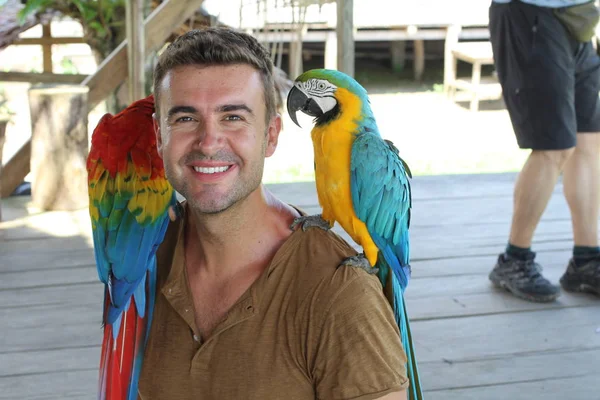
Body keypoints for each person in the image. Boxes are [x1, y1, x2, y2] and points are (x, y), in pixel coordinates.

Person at [137, 27, 409, 399]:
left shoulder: (342, 296)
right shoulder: (144, 256)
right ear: (158, 135)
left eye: (232, 117)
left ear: (272, 134)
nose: (209, 141)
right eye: (185, 118)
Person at [488, 0, 600, 302]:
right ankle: (514, 259)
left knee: (588, 140)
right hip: (530, 13)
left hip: (577, 18)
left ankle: (586, 259)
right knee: (553, 146)